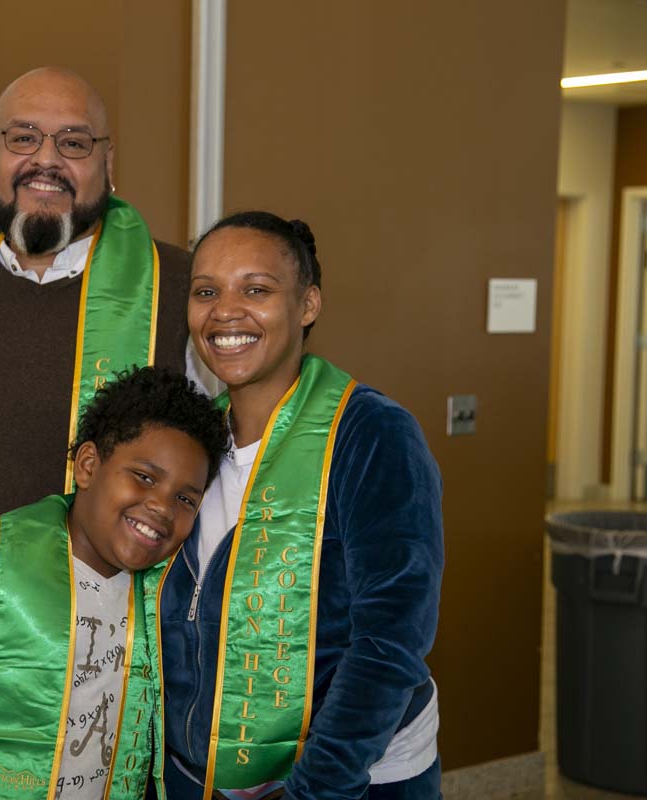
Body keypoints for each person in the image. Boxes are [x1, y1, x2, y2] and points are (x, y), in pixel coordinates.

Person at [0, 67, 210, 622]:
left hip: (111, 641)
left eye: (74, 142)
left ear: (108, 164)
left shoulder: (181, 287)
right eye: (23, 137)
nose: (47, 160)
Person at [156, 212, 444, 799]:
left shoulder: (371, 435)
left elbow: (390, 643)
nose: (225, 311)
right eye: (205, 291)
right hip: (199, 774)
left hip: (346, 780)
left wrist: (316, 788)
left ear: (308, 304)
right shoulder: (191, 444)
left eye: (256, 289)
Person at [0, 367, 230, 800]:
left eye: (185, 498)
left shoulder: (162, 596)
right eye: (144, 477)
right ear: (89, 466)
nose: (162, 508)